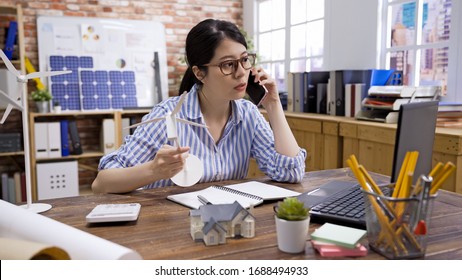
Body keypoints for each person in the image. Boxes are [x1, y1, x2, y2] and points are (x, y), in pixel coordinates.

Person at [91, 19, 306, 194]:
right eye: (228, 65)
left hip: (229, 225)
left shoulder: (248, 115)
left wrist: (273, 104)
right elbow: (102, 183)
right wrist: (154, 170)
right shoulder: (168, 115)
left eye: (244, 60)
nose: (241, 72)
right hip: (171, 230)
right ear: (199, 73)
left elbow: (292, 172)